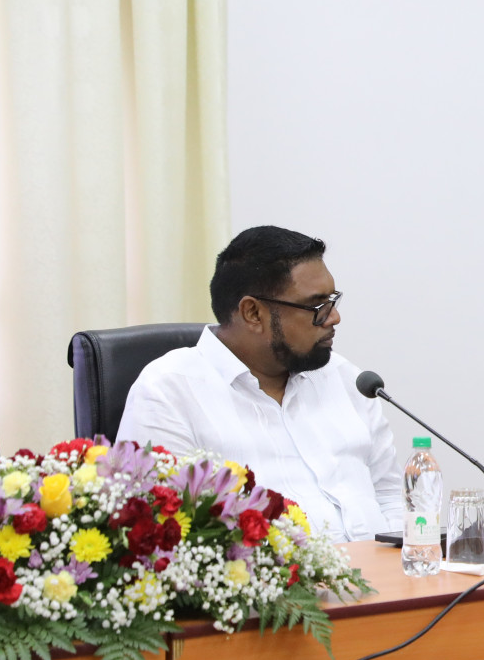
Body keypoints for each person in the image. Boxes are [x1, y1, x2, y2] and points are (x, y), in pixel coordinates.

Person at [116, 226, 404, 541]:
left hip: (386, 571)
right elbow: (162, 529)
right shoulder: (169, 391)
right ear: (253, 313)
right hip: (281, 573)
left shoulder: (346, 378)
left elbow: (390, 494)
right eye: (317, 306)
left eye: (333, 300)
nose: (334, 318)